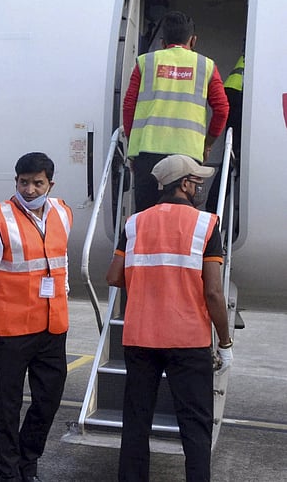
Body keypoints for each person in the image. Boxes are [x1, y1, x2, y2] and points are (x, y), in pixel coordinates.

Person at [106, 154, 233, 482]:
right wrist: (225, 341)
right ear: (185, 184)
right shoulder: (206, 224)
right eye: (197, 180)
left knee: (136, 422)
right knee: (195, 425)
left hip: (140, 337)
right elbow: (214, 293)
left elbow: (113, 276)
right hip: (188, 340)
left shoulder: (134, 223)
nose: (200, 186)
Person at [0, 152, 72, 482]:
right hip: (12, 329)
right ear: (15, 181)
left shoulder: (63, 212)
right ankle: (10, 473)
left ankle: (29, 458)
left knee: (48, 400)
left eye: (37, 183)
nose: (29, 190)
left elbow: (61, 259)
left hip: (53, 324)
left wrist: (64, 292)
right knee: (8, 406)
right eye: (23, 182)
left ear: (49, 184)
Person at [122, 11, 229, 212]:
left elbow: (129, 106)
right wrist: (207, 144)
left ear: (163, 42)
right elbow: (222, 109)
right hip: (188, 156)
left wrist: (132, 145)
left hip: (148, 154)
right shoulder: (206, 66)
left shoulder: (146, 62)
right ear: (193, 40)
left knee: (146, 218)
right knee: (184, 218)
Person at [205, 53, 244, 215]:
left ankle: (213, 207)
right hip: (243, 93)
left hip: (236, 90)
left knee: (232, 158)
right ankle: (213, 208)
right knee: (236, 158)